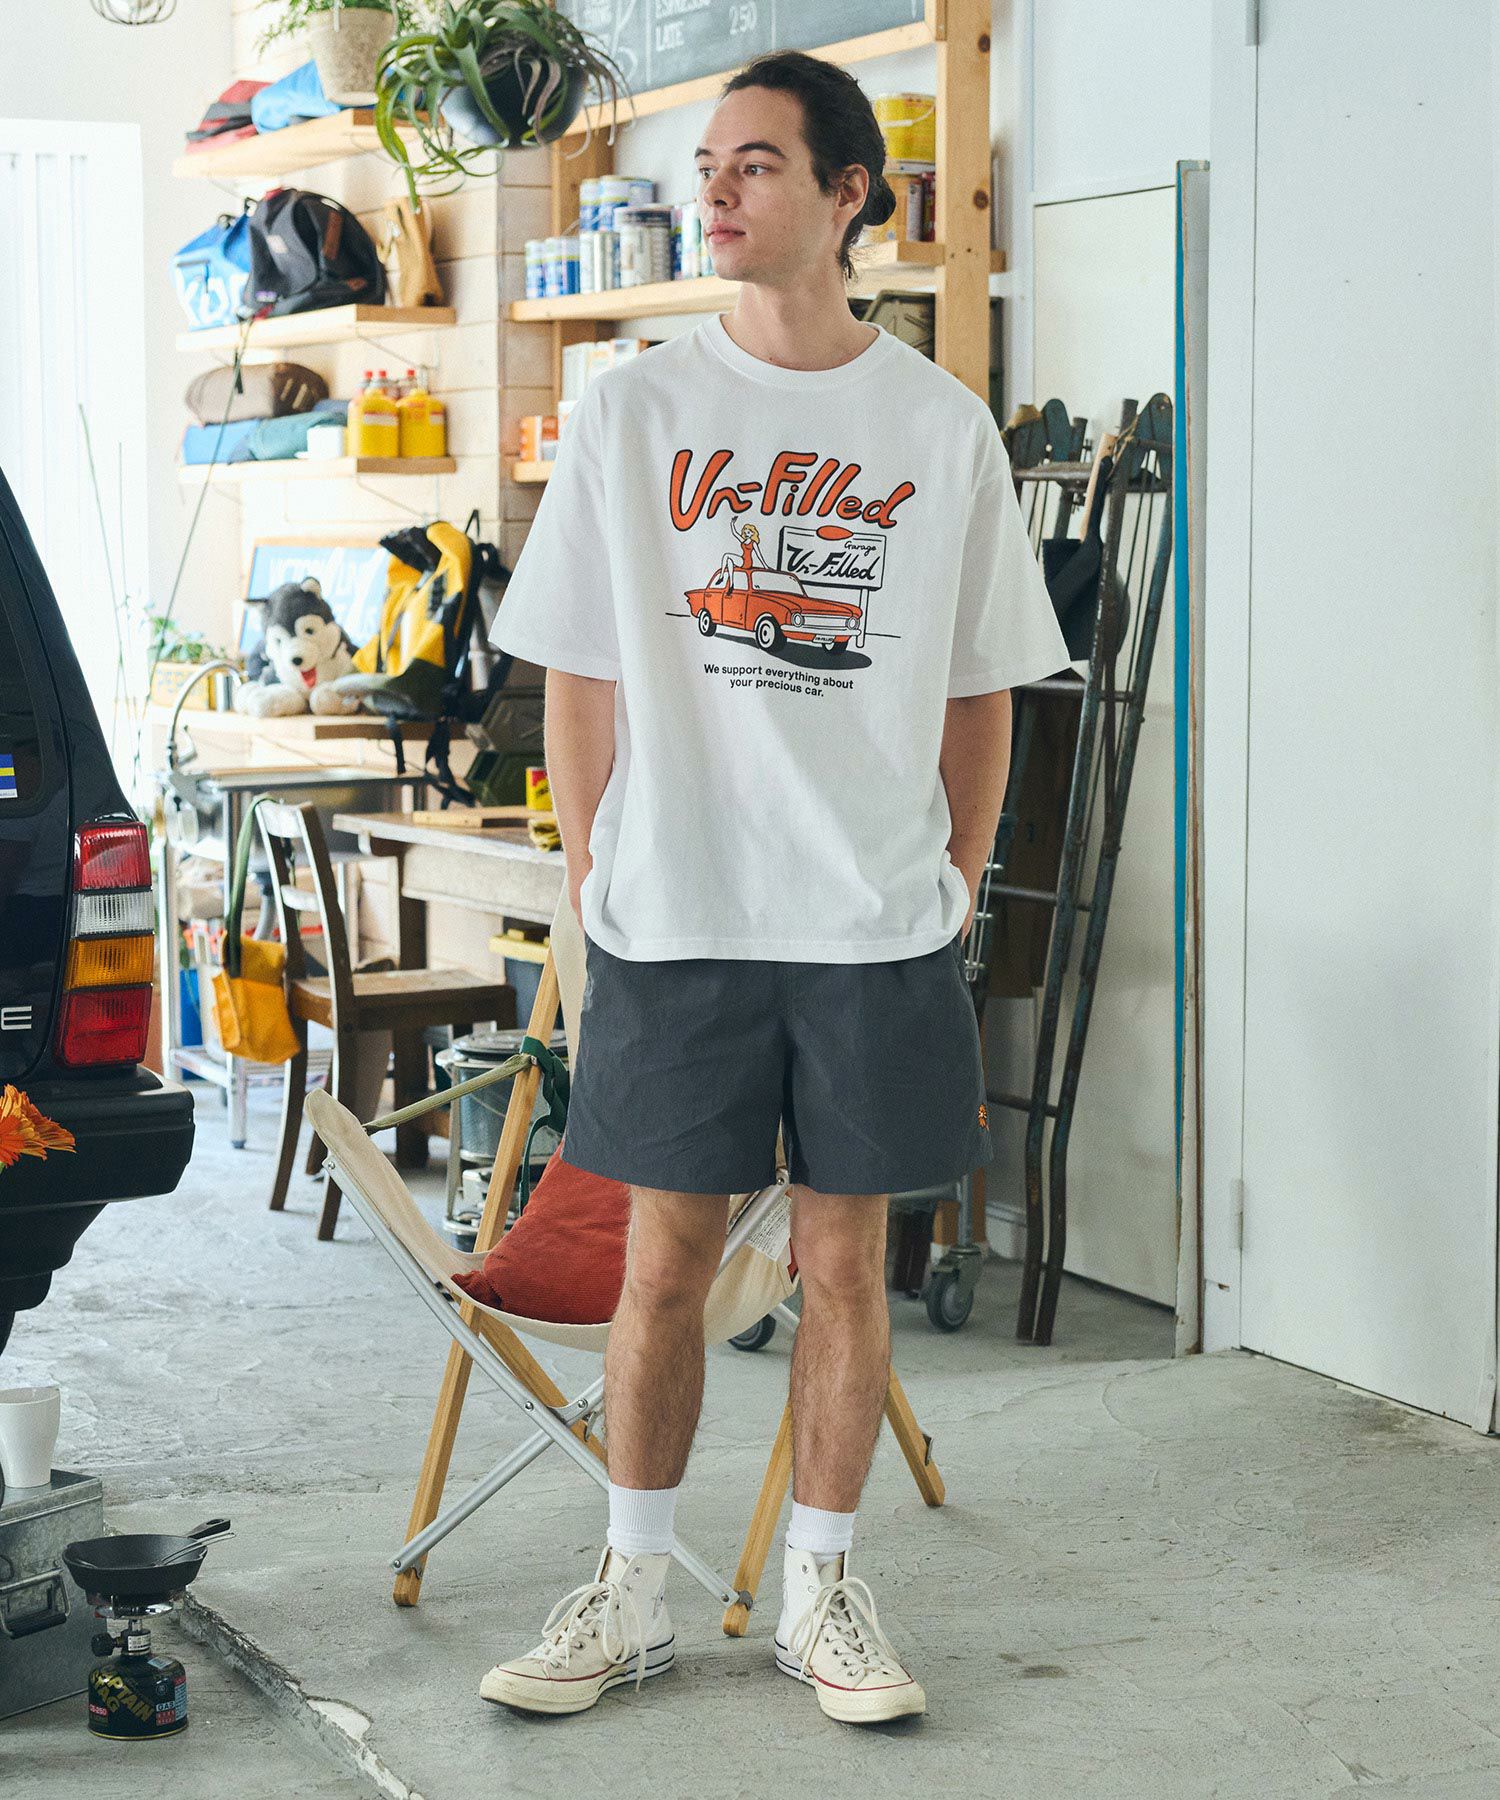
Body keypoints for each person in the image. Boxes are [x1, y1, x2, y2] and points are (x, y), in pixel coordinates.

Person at [481, 49, 1070, 1724]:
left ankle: (821, 1593)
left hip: (870, 923)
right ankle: (631, 1589)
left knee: (845, 1267)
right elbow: (580, 670)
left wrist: (954, 877)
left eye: (754, 164)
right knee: (662, 1267)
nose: (717, 193)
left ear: (847, 193)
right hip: (679, 910)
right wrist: (593, 865)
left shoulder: (937, 428)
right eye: (710, 167)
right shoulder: (634, 410)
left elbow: (983, 691)